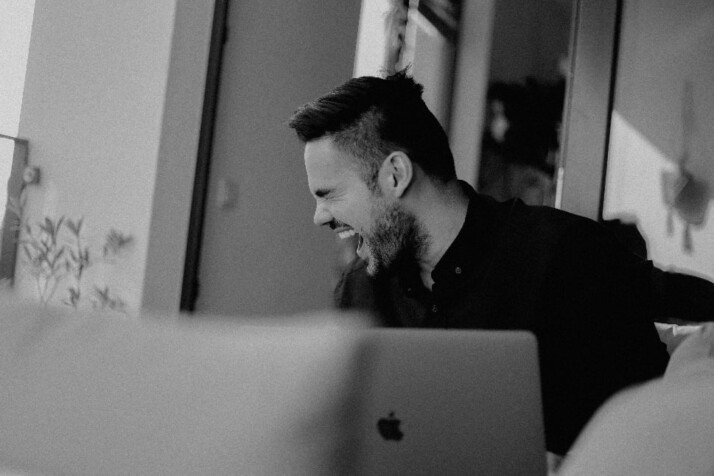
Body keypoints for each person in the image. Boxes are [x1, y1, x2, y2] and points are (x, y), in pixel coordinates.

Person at [287, 70, 670, 456]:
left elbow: (654, 430)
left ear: (396, 175)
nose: (320, 216)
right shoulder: (358, 292)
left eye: (329, 194)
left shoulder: (569, 255)